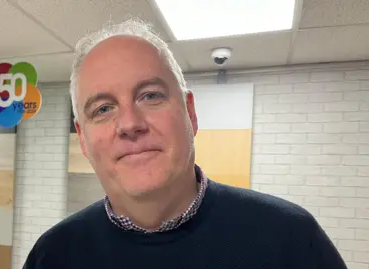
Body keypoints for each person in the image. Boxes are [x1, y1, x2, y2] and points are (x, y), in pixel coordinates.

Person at [23, 18, 347, 269]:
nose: (130, 124)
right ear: (83, 139)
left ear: (190, 113)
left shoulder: (290, 240)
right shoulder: (53, 256)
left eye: (150, 96)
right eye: (103, 109)